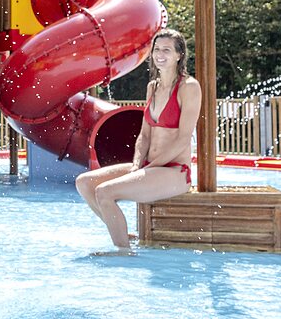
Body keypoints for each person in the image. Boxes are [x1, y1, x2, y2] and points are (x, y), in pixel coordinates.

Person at [76, 28, 200, 249]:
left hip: (174, 171)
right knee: (84, 183)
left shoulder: (188, 87)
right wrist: (137, 165)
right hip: (148, 166)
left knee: (104, 192)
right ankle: (121, 231)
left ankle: (123, 252)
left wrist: (151, 166)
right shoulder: (152, 87)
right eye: (157, 49)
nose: (160, 54)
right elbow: (144, 134)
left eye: (167, 50)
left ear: (179, 55)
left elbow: (183, 139)